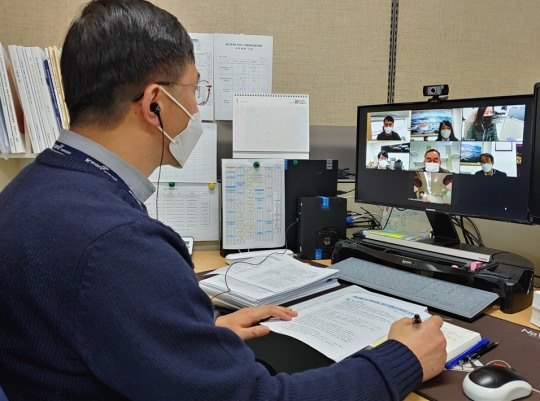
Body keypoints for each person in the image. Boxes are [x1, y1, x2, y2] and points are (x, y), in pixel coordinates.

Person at [0, 1, 447, 400]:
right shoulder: (119, 242)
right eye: (194, 89)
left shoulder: (30, 191)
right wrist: (400, 361)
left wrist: (190, 338)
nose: (196, 107)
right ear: (155, 102)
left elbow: (82, 329)